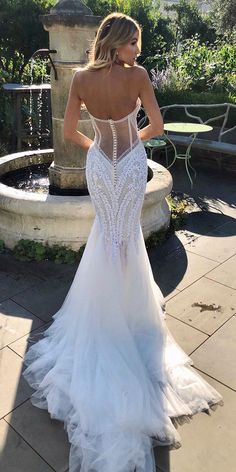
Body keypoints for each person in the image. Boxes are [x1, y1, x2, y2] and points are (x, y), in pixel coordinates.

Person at [23, 12, 223, 472]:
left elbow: (71, 132)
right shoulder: (137, 76)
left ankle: (109, 313)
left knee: (108, 235)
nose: (139, 49)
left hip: (100, 164)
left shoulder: (80, 79)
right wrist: (129, 140)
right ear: (119, 43)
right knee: (124, 236)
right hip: (130, 162)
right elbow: (156, 125)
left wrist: (98, 146)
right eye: (135, 41)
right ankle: (132, 317)